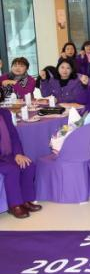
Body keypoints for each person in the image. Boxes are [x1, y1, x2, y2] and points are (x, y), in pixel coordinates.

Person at [0, 89, 41, 218]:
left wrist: (18, 154)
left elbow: (14, 136)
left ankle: (26, 200)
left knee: (28, 165)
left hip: (8, 155)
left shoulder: (5, 113)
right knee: (12, 170)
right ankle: (14, 205)